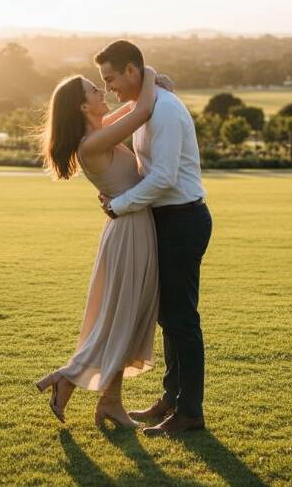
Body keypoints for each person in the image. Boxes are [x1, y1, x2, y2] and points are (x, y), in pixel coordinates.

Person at [34, 65, 171, 428]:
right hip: (128, 232)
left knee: (126, 318)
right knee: (120, 319)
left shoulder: (101, 133)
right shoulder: (93, 143)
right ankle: (68, 376)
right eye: (94, 89)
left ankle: (110, 402)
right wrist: (150, 74)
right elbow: (141, 111)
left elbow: (130, 111)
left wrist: (148, 88)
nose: (102, 91)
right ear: (82, 107)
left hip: (133, 227)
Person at [95, 40, 213, 436]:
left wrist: (120, 204)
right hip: (166, 220)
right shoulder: (147, 104)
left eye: (111, 79)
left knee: (181, 319)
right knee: (169, 317)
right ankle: (171, 398)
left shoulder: (163, 110)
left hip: (182, 220)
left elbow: (162, 178)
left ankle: (190, 412)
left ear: (132, 71)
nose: (109, 89)